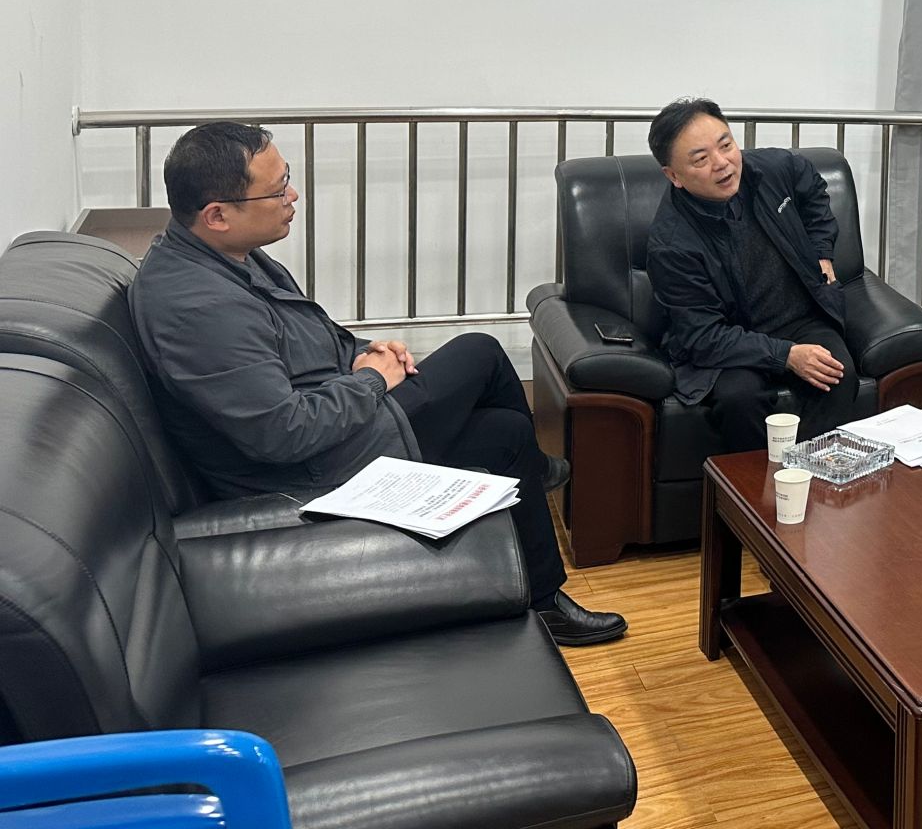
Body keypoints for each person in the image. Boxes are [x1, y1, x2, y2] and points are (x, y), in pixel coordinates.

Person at [131, 122, 625, 646]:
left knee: (505, 433)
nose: (292, 197)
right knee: (480, 352)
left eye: (287, 179)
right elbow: (281, 433)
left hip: (337, 429)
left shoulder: (228, 255)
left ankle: (543, 598)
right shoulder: (199, 309)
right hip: (313, 469)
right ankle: (539, 471)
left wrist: (364, 351)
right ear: (217, 214)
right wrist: (371, 380)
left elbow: (311, 337)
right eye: (277, 191)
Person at [644, 97, 859, 453]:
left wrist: (822, 253)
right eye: (701, 159)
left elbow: (813, 188)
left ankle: (812, 474)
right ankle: (756, 485)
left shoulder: (770, 169)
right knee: (738, 399)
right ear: (674, 176)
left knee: (837, 374)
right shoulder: (671, 245)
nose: (722, 163)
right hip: (731, 336)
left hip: (799, 318)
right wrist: (786, 355)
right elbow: (703, 337)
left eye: (726, 145)